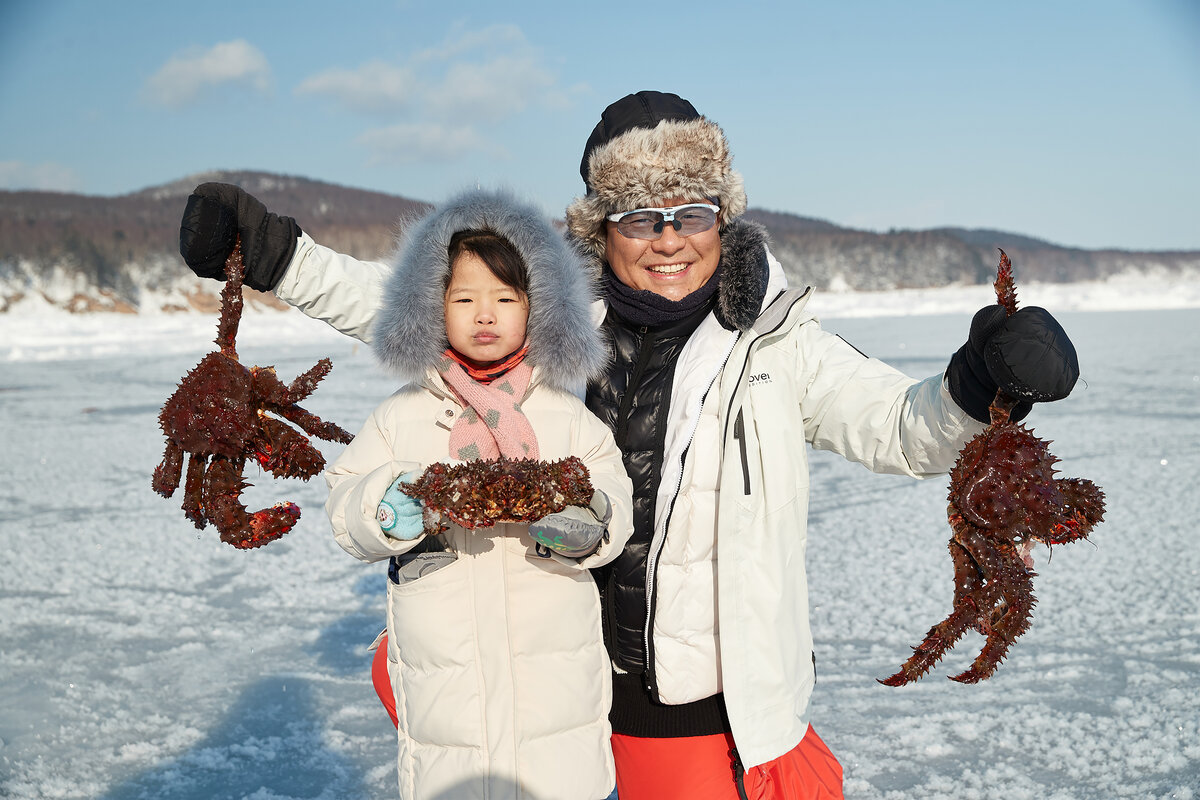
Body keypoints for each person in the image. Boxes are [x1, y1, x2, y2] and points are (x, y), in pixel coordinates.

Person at [179, 91, 1080, 800]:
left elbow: (897, 424)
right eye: (639, 217)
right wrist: (280, 256)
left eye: (689, 213)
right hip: (554, 680)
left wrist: (979, 380)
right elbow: (423, 303)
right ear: (601, 229)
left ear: (722, 217)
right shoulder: (557, 322)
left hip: (695, 708)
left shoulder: (778, 342)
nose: (667, 241)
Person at [254, 187, 634, 799]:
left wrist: (588, 521)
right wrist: (386, 507)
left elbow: (612, 501)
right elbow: (344, 503)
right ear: (432, 308)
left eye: (505, 299)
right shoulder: (402, 416)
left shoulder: (569, 417)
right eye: (464, 298)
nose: (485, 316)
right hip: (445, 679)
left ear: (538, 308)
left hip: (554, 681)